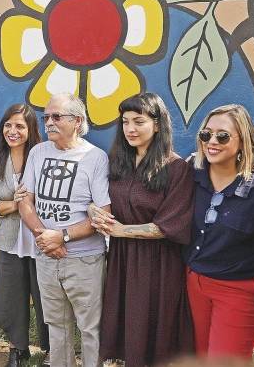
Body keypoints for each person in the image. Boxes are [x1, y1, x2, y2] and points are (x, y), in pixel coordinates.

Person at [89, 93, 195, 366]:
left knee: (151, 323)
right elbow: (99, 199)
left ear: (157, 125)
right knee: (127, 321)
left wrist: (119, 231)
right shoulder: (119, 163)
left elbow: (168, 226)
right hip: (123, 258)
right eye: (125, 122)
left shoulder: (176, 168)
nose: (130, 129)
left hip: (157, 263)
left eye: (139, 121)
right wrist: (95, 212)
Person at [19, 93, 111, 367]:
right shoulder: (38, 152)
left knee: (90, 328)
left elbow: (103, 214)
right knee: (56, 326)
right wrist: (44, 237)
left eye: (56, 116)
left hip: (84, 259)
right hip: (46, 256)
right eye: (46, 117)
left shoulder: (95, 158)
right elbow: (25, 200)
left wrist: (63, 236)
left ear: (77, 120)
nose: (49, 122)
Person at [184, 104, 254, 359]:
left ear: (243, 141)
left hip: (239, 290)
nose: (212, 142)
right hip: (194, 283)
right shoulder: (192, 172)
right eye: (205, 134)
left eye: (222, 136)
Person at [0, 104, 49, 366]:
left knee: (45, 297)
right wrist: (13, 204)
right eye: (8, 125)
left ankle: (50, 347)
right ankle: (17, 347)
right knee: (8, 298)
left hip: (41, 241)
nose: (13, 131)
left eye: (19, 126)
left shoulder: (44, 159)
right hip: (6, 241)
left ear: (31, 129)